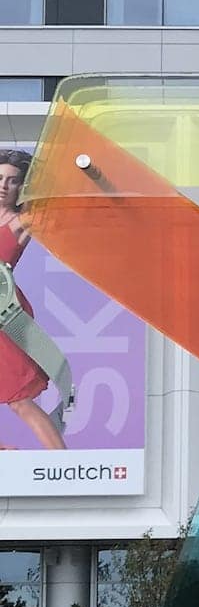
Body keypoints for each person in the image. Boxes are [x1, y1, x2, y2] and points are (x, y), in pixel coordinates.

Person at [0, 150, 64, 450]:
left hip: (3, 312)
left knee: (19, 399)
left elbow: (52, 201)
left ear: (21, 188)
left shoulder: (21, 221)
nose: (3, 185)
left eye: (12, 181)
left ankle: (63, 463)